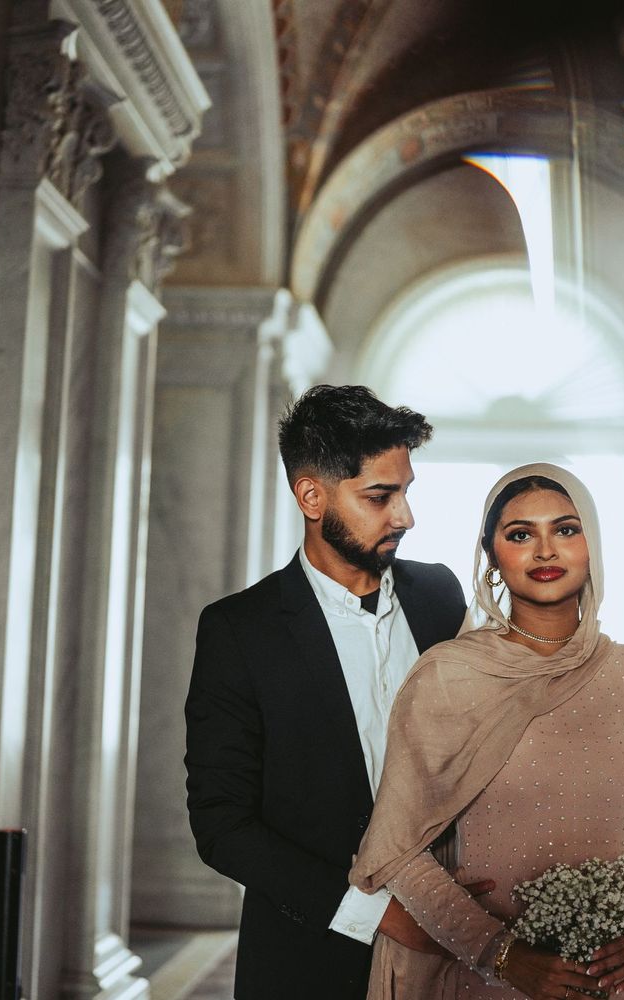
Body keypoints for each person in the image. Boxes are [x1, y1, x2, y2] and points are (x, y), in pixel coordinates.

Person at [351, 463, 624, 999]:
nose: (546, 551)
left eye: (566, 529)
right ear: (491, 557)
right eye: (521, 535)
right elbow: (396, 849)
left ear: (592, 545)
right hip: (488, 974)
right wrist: (499, 952)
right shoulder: (449, 677)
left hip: (619, 978)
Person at [184, 384, 474, 1000]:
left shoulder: (440, 596)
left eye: (406, 492)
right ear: (311, 496)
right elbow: (221, 824)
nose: (405, 516)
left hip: (455, 958)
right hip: (306, 963)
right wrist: (378, 916)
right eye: (380, 496)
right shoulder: (240, 629)